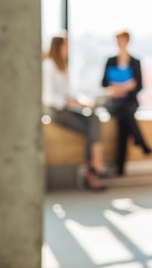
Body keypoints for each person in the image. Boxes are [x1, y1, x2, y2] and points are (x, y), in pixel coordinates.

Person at [43, 32, 107, 191]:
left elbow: (69, 93)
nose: (68, 49)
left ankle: (93, 169)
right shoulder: (49, 66)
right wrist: (73, 103)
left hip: (68, 107)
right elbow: (50, 97)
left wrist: (81, 102)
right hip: (56, 110)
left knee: (93, 119)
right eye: (66, 45)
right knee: (91, 128)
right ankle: (93, 169)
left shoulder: (63, 65)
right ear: (58, 46)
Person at [101, 30, 152, 176]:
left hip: (129, 101)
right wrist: (116, 89)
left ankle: (120, 168)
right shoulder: (110, 61)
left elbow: (139, 85)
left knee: (124, 122)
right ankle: (139, 140)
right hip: (114, 102)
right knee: (124, 114)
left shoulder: (135, 62)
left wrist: (127, 88)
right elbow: (104, 83)